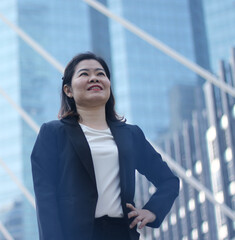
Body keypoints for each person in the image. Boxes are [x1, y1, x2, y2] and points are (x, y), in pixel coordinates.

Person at [31, 52, 179, 240]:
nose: (94, 78)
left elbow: (169, 181)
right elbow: (46, 198)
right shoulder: (52, 133)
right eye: (84, 74)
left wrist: (152, 211)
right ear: (68, 90)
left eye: (101, 74)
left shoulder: (131, 134)